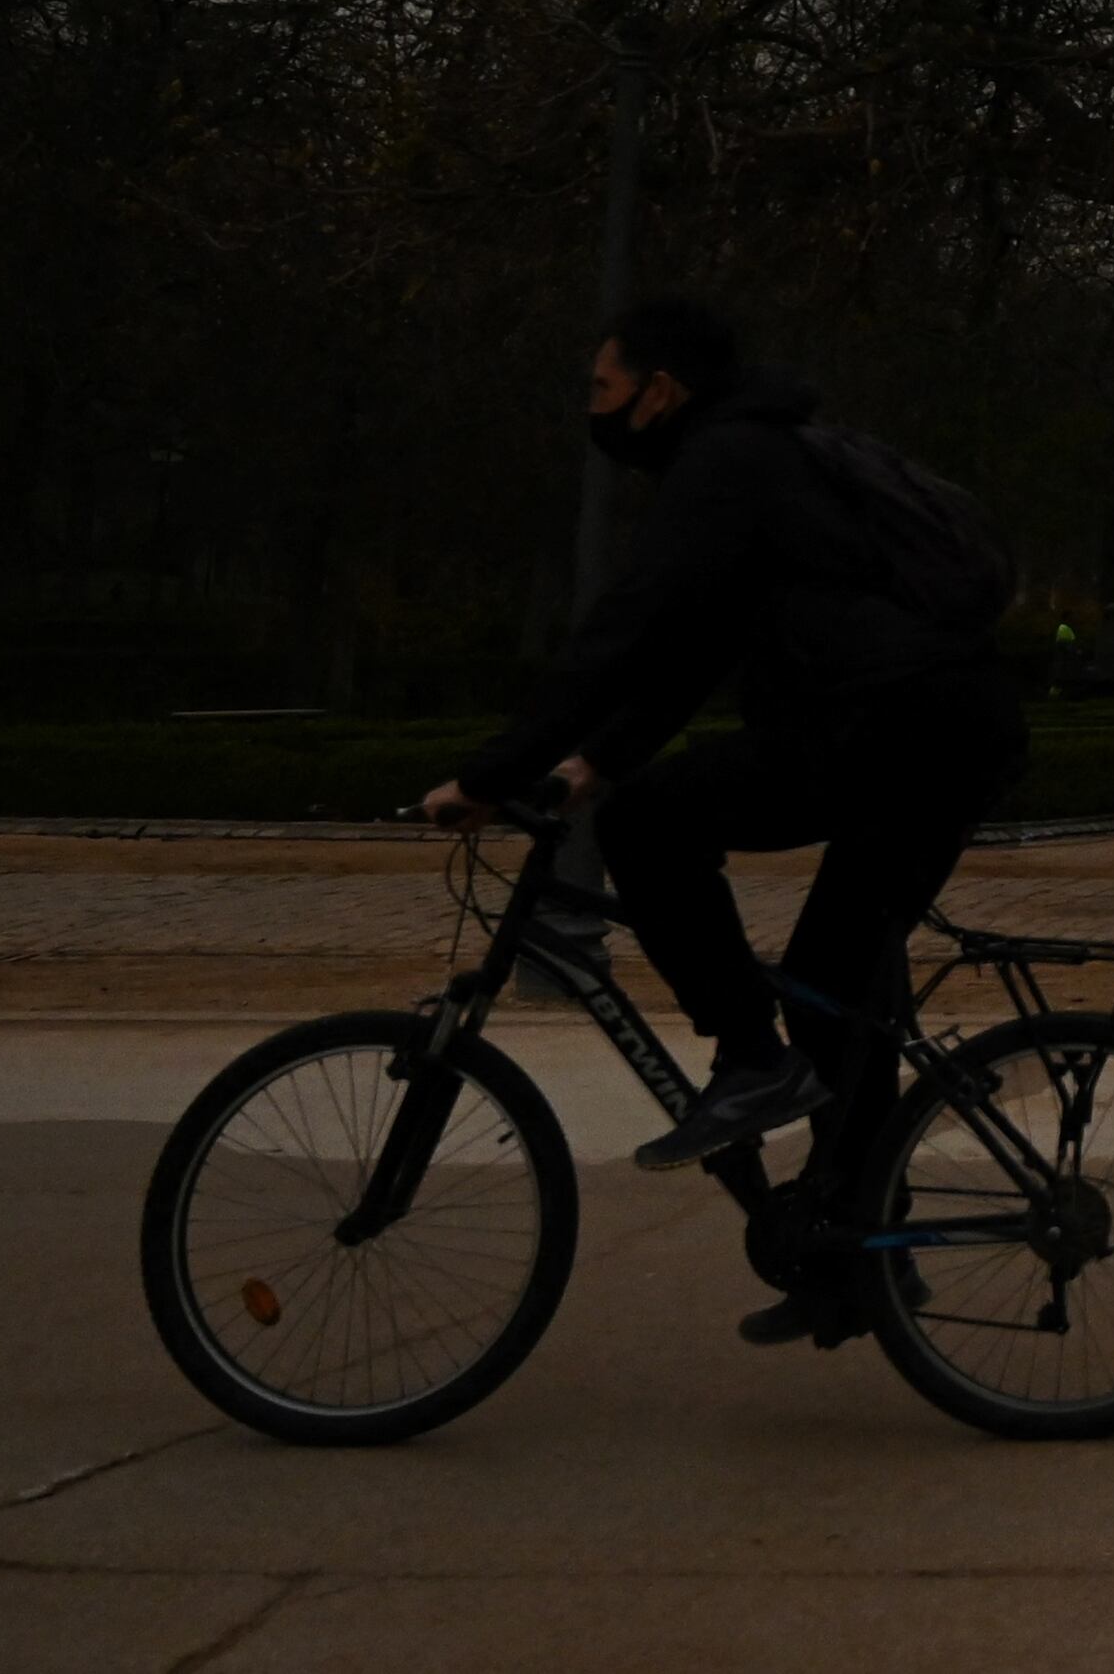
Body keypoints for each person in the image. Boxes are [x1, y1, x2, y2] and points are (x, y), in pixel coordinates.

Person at [419, 298, 1022, 1340]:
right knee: (835, 987)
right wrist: (592, 762)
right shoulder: (756, 460)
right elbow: (694, 646)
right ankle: (861, 1255)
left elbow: (626, 630)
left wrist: (489, 773)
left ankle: (750, 1060)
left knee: (650, 826)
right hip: (927, 728)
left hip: (898, 731)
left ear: (659, 390)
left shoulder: (727, 462)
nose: (592, 409)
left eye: (603, 388)